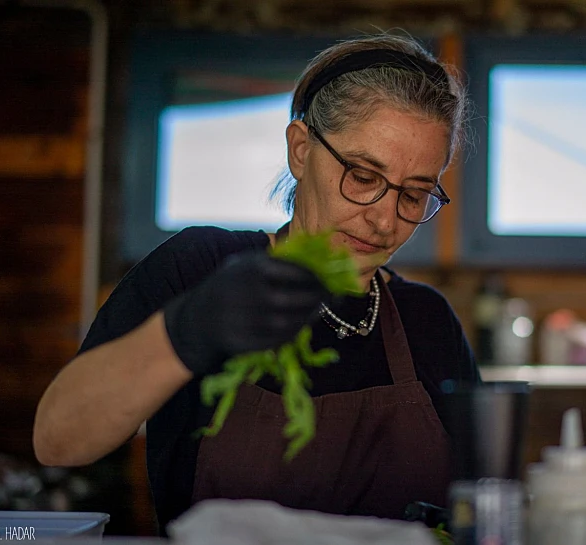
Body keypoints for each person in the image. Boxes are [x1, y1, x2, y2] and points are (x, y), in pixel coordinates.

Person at [33, 33, 479, 535]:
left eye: (414, 194)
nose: (383, 221)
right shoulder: (202, 269)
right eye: (362, 175)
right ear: (301, 150)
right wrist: (188, 330)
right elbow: (58, 441)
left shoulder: (426, 320)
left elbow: (482, 504)